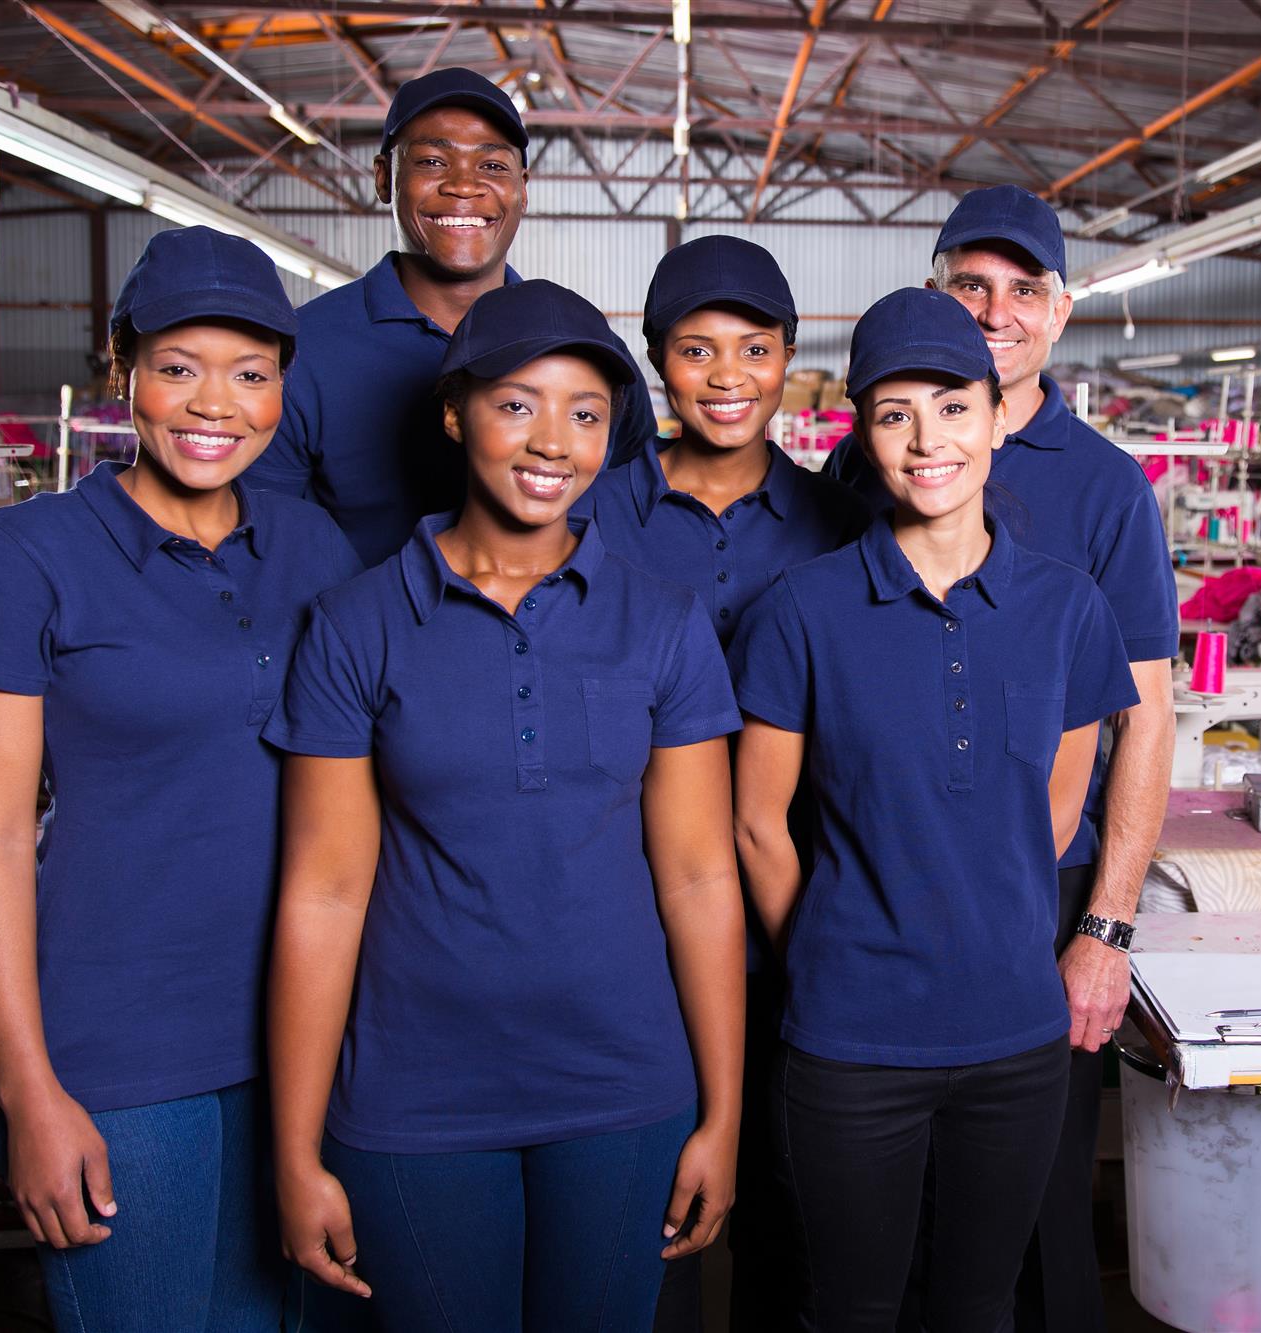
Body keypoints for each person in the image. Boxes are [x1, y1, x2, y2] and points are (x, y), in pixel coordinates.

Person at [264, 280, 745, 1330]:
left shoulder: (662, 624)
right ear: (454, 413)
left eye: (584, 411)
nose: (552, 441)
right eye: (517, 403)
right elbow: (324, 893)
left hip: (623, 1088)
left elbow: (703, 877)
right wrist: (295, 1149)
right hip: (413, 1094)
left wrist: (723, 1113)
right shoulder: (358, 623)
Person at [0, 226, 362, 1330]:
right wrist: (27, 1082)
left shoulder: (319, 550)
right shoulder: (31, 553)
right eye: (178, 368)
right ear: (121, 369)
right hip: (119, 1048)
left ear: (283, 389)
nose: (215, 405)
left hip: (318, 1037)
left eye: (251, 375)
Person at [730, 287, 1139, 1332]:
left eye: (953, 407)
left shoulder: (1066, 609)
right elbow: (756, 823)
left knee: (978, 1304)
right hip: (848, 1041)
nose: (928, 440)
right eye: (894, 412)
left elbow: (1054, 812)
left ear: (1000, 417)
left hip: (1013, 1038)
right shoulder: (801, 612)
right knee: (852, 1307)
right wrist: (823, 950)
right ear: (861, 435)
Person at [825, 185, 1180, 1332]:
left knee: (1028, 1222)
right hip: (876, 900)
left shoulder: (1106, 486)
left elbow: (1146, 717)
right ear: (934, 293)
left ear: (1061, 310)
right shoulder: (863, 467)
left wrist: (1105, 926)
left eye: (1023, 289)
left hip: (1042, 900)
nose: (997, 310)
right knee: (867, 1233)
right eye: (970, 285)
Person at [576, 234, 864, 1332]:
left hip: (799, 915)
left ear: (789, 356)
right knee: (645, 1214)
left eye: (754, 348)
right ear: (657, 364)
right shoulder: (593, 514)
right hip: (635, 922)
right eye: (697, 350)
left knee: (794, 1216)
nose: (728, 375)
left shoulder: (838, 523)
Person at [245, 67, 656, 567]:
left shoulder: (587, 351)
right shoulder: (301, 350)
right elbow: (260, 549)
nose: (464, 186)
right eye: (433, 161)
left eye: (493, 167)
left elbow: (635, 511)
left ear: (523, 189)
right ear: (383, 178)